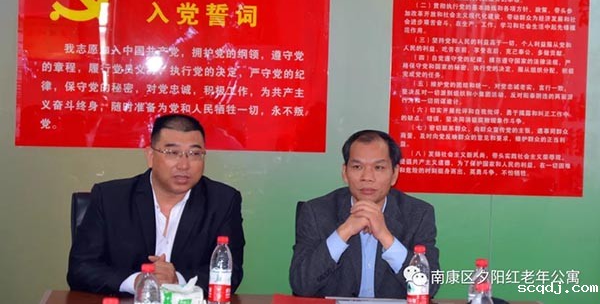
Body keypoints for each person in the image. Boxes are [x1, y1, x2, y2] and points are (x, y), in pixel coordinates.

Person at [67, 114, 245, 295]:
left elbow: (232, 272)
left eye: (194, 154)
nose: (184, 165)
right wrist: (137, 281)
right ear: (151, 156)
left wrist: (177, 280)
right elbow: (80, 269)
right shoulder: (110, 198)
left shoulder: (223, 202)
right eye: (172, 153)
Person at [289, 129, 440, 298]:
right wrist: (344, 232)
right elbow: (301, 285)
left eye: (378, 167)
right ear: (345, 173)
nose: (367, 177)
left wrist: (386, 237)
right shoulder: (316, 212)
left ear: (394, 174)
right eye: (357, 167)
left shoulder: (418, 214)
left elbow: (429, 287)